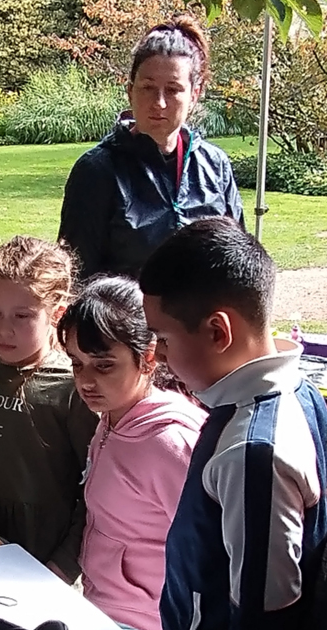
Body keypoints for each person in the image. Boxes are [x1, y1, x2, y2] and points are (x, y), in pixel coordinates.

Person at [139, 217, 327, 629]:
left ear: (217, 332)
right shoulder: (298, 388)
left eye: (164, 338)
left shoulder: (252, 454)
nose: (159, 355)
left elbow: (267, 616)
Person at [57, 276, 207, 630]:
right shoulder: (110, 417)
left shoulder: (173, 443)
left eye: (104, 364)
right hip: (98, 610)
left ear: (148, 357)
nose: (85, 380)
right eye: (77, 363)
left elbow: (212, 555)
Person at [0, 235, 99, 583]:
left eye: (22, 315)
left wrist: (64, 565)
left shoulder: (71, 388)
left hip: (40, 556)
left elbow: (94, 491)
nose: (3, 329)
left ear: (56, 313)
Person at [57, 15, 244, 280]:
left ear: (195, 94)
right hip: (126, 320)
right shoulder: (98, 171)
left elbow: (239, 264)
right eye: (148, 88)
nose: (159, 103)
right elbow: (76, 279)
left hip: (204, 319)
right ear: (130, 90)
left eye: (172, 90)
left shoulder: (215, 166)